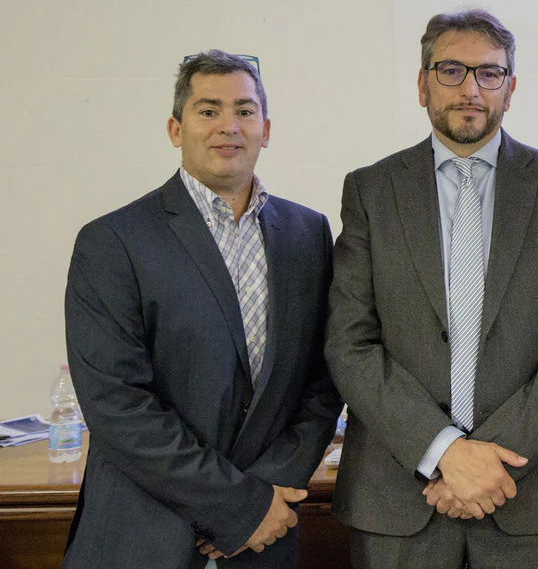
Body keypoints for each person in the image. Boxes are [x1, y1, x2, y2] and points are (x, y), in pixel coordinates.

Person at [325, 8, 538, 569]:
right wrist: (444, 451)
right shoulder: (371, 191)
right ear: (422, 85)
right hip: (399, 501)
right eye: (451, 71)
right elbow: (349, 343)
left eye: (489, 74)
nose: (471, 89)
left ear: (511, 88)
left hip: (530, 500)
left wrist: (485, 465)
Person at [62, 50, 341, 568]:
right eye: (208, 110)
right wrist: (239, 504)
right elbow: (118, 407)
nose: (227, 126)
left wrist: (266, 496)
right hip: (143, 536)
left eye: (244, 110)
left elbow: (324, 382)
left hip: (266, 537)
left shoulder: (309, 235)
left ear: (267, 128)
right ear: (175, 128)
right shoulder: (112, 241)